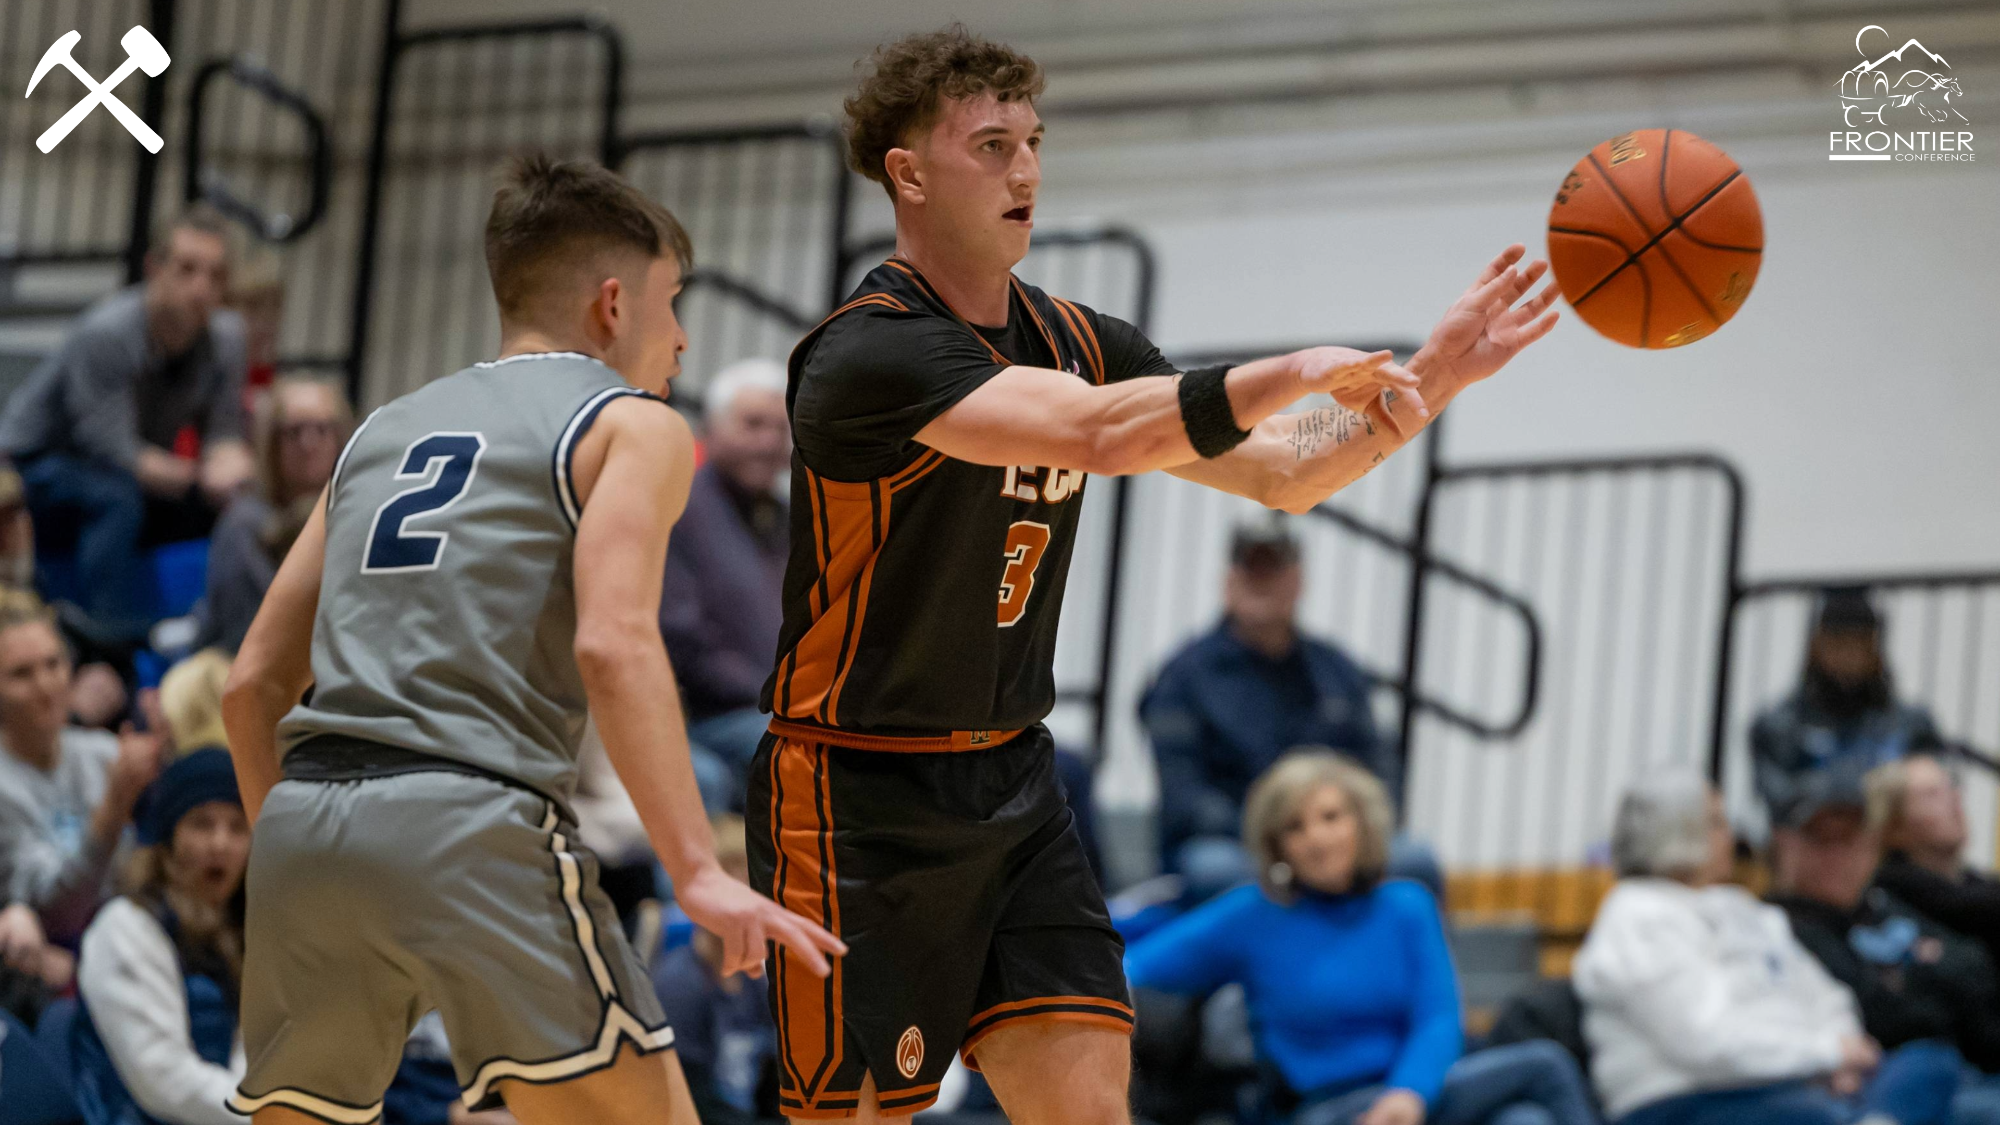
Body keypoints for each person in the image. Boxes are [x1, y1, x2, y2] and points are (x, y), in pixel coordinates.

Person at [751, 26, 1558, 1122]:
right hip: (856, 791)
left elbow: (1282, 477)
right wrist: (1287, 367)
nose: (1025, 171)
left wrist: (1430, 378)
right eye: (990, 146)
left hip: (1014, 785)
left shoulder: (1082, 337)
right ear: (906, 172)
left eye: (1032, 142)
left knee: (1090, 1098)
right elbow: (1094, 436)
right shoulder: (867, 353)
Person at [218, 154, 839, 1125]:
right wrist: (697, 873)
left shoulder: (377, 431)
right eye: (671, 302)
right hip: (472, 822)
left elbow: (250, 684)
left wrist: (296, 857)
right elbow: (615, 644)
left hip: (303, 828)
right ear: (610, 304)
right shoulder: (632, 426)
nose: (679, 338)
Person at [1125, 754, 1595, 1125]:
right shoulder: (1254, 913)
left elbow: (1437, 1018)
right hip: (1324, 1110)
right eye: (1295, 826)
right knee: (1546, 1064)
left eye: (1331, 817)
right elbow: (1137, 964)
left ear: (1361, 824)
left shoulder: (1407, 905)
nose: (1318, 838)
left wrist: (1408, 1095)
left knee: (1524, 1119)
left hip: (1411, 1095)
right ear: (1276, 846)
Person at [1572, 772, 1963, 1125]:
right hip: (1688, 1103)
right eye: (1716, 823)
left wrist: (1843, 1055)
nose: (1731, 836)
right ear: (1675, 833)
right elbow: (1706, 1044)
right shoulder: (1639, 916)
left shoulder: (1742, 908)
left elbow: (1826, 997)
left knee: (1931, 1062)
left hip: (1797, 1084)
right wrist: (1826, 1053)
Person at [1141, 519, 1441, 897]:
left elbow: (1380, 772)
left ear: (1298, 582)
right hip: (1235, 845)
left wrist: (1337, 835)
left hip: (1333, 838)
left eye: (1274, 572)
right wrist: (1284, 839)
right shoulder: (1182, 678)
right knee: (1215, 872)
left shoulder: (1338, 671)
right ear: (1229, 583)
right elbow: (1185, 798)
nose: (1262, 584)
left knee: (1415, 864)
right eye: (1252, 571)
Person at [0, 207, 253, 645]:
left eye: (215, 276)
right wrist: (198, 477)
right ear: (154, 269)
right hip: (39, 461)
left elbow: (225, 435)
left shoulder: (227, 338)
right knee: (116, 495)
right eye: (187, 270)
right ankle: (105, 634)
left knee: (244, 510)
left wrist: (231, 469)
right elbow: (113, 450)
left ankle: (219, 634)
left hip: (139, 467)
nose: (201, 288)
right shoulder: (108, 333)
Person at [1765, 784, 2000, 1118]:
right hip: (1885, 1083)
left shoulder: (1879, 904)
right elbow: (1876, 1014)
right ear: (1786, 846)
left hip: (1968, 1066)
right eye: (1823, 840)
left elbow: (1974, 963)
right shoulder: (1778, 924)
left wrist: (1913, 984)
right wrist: (1931, 976)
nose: (1840, 855)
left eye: (1852, 839)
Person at [71, 748, 248, 1125]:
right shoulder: (125, 927)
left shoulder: (243, 930)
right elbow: (164, 1081)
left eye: (237, 827)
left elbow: (255, 1057)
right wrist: (273, 1116)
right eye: (202, 824)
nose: (220, 844)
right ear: (168, 840)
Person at [659, 358, 791, 808]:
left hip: (774, 711)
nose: (769, 440)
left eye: (780, 428)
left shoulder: (788, 520)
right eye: (753, 424)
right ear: (710, 430)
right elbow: (682, 637)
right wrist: (777, 699)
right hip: (709, 717)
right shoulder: (679, 507)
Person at [0, 599, 165, 943]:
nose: (46, 686)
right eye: (21, 674)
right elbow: (61, 914)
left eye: (53, 664)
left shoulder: (101, 752)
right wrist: (115, 805)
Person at [1753, 587, 1942, 829]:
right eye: (1839, 643)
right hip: (1811, 849)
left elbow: (1934, 794)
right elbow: (1780, 801)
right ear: (1816, 646)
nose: (1850, 656)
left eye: (1861, 644)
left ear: (1876, 650)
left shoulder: (1912, 726)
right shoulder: (1779, 727)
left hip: (1891, 856)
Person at [197, 379, 353, 655]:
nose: (309, 443)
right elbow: (253, 636)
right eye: (294, 431)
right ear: (272, 442)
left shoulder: (355, 517)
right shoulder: (245, 524)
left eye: (322, 429)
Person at [651, 816, 778, 1125]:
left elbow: (773, 1078)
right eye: (739, 879)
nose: (752, 894)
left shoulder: (753, 978)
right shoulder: (679, 984)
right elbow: (691, 1102)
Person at [1866, 755, 2000, 966]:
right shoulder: (1890, 893)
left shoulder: (1977, 885)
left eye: (1951, 787)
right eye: (1931, 794)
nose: (1955, 798)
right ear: (1894, 826)